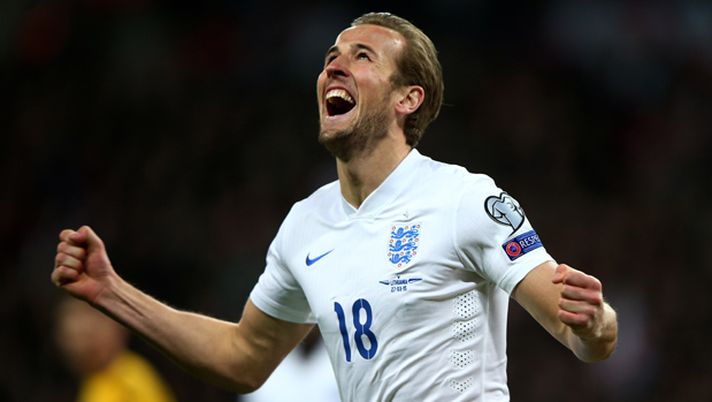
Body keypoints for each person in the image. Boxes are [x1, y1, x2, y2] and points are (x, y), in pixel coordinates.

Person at [51, 12, 618, 401]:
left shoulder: (464, 200)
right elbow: (242, 357)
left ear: (407, 98)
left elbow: (585, 336)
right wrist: (112, 293)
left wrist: (594, 323)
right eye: (331, 56)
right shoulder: (305, 226)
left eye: (362, 56)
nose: (334, 66)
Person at [55, 296, 176, 402]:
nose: (76, 348)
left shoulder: (129, 380)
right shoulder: (93, 382)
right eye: (72, 338)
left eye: (86, 336)